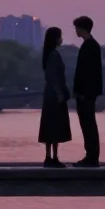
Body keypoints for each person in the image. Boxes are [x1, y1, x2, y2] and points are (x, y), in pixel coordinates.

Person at [38, 26, 73, 167]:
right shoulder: (53, 55)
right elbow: (53, 77)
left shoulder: (49, 54)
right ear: (56, 38)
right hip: (54, 95)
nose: (61, 38)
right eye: (60, 36)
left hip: (50, 94)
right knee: (55, 125)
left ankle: (50, 157)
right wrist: (59, 93)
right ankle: (53, 157)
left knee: (50, 125)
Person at [71, 15, 103, 167]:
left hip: (86, 93)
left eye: (76, 27)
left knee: (88, 123)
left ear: (82, 28)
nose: (75, 30)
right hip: (86, 92)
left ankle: (91, 156)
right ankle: (91, 154)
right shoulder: (90, 45)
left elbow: (89, 73)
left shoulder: (90, 46)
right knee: (88, 123)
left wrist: (83, 92)